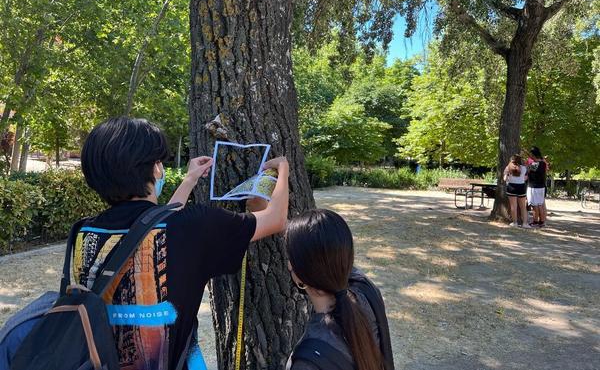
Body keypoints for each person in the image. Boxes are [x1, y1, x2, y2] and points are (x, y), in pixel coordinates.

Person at [77, 117, 289, 370]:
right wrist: (283, 170)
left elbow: (153, 227)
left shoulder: (84, 232)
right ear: (156, 169)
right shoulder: (194, 226)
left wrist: (189, 181)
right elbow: (276, 219)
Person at [285, 209, 390, 370]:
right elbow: (328, 256)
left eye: (290, 258)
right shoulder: (366, 290)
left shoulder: (308, 362)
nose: (288, 264)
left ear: (300, 277)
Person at [503, 154, 529, 228]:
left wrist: (509, 177)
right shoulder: (524, 168)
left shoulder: (508, 167)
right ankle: (525, 223)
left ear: (511, 160)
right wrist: (520, 179)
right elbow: (525, 178)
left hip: (511, 187)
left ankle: (515, 223)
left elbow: (505, 179)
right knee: (523, 206)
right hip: (521, 187)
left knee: (513, 206)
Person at [526, 146, 547, 227]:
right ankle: (542, 221)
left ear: (533, 155)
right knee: (540, 204)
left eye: (531, 155)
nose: (530, 156)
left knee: (534, 205)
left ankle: (535, 221)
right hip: (541, 187)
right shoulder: (543, 163)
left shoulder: (534, 164)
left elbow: (528, 171)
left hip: (534, 187)